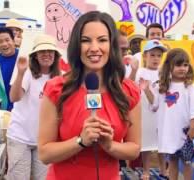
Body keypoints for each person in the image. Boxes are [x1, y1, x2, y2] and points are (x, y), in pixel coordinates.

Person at [38, 11, 142, 180]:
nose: (94, 48)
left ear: (112, 45)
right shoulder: (56, 89)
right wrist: (81, 141)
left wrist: (110, 145)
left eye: (102, 40)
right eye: (85, 40)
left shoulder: (129, 91)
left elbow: (134, 149)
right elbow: (44, 154)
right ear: (76, 46)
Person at [6, 34, 61, 180]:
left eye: (50, 51)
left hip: (45, 140)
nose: (46, 54)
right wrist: (20, 73)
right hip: (20, 136)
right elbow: (14, 97)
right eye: (42, 51)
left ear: (55, 55)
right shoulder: (28, 73)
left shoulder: (61, 77)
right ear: (35, 55)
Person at [153, 48, 194, 180]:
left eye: (185, 65)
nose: (182, 68)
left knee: (187, 162)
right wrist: (146, 90)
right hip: (170, 131)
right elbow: (155, 106)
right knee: (172, 160)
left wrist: (193, 127)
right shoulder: (164, 86)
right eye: (178, 65)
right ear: (169, 65)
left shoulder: (190, 87)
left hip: (185, 132)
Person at [135, 40, 167, 180]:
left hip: (161, 114)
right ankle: (146, 170)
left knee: (162, 143)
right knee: (146, 144)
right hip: (144, 114)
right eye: (152, 55)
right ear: (145, 56)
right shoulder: (140, 73)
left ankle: (163, 169)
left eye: (159, 56)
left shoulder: (164, 74)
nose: (155, 58)